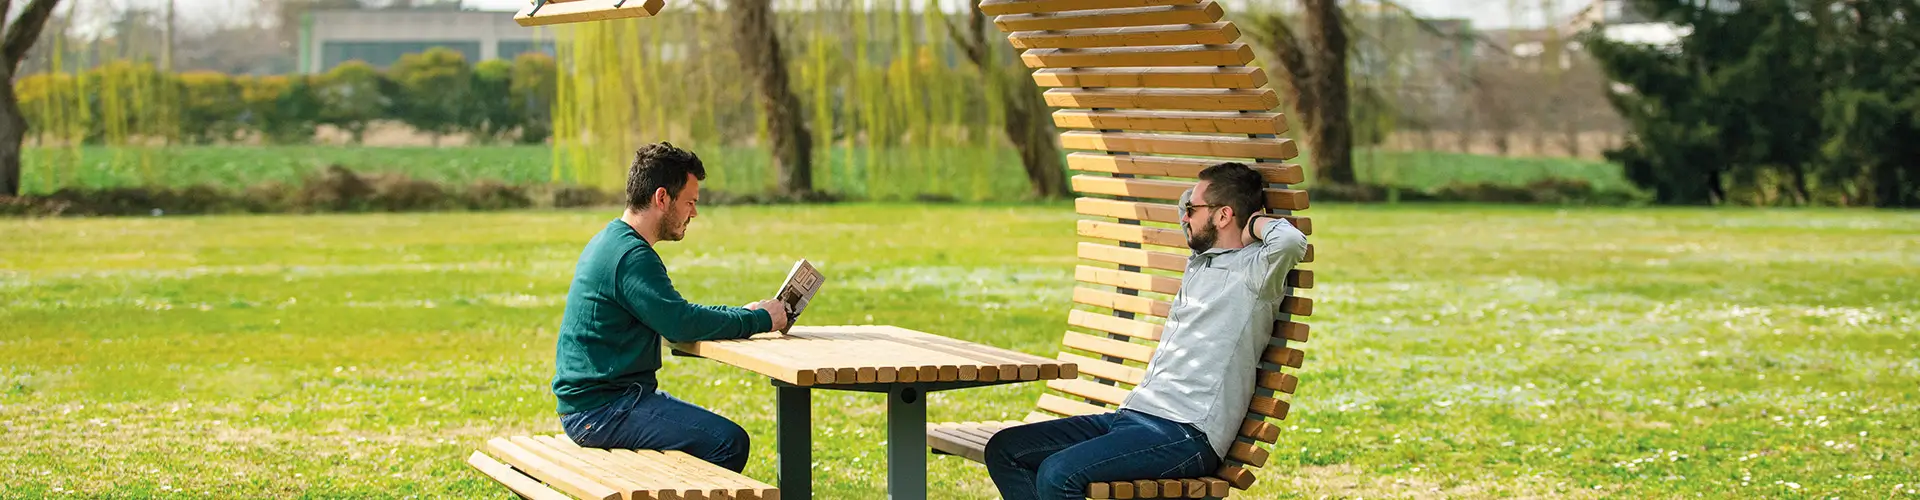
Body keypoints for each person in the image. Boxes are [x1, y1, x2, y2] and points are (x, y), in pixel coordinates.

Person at [983, 162, 1310, 499]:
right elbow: (1193, 207)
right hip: (1137, 415)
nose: (1184, 215)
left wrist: (1252, 221)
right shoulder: (1201, 260)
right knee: (1005, 450)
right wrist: (1204, 206)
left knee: (1058, 475)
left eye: (1192, 209)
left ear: (1224, 215)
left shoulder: (1255, 272)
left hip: (1185, 433)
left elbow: (1288, 240)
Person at [550, 142, 790, 472]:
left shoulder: (612, 239)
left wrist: (743, 313)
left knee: (720, 439)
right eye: (690, 202)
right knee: (728, 442)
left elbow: (674, 313)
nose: (694, 212)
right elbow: (680, 324)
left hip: (597, 405)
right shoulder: (632, 257)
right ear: (662, 198)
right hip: (602, 411)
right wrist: (759, 319)